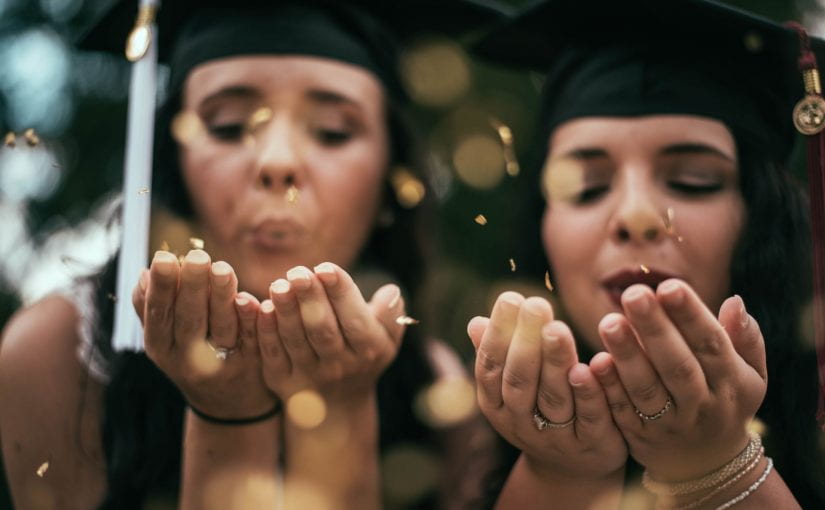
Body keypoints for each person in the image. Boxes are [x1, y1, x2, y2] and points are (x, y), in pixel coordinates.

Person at [0, 1, 506, 508]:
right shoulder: (60, 354)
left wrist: (341, 407)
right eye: (227, 125)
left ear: (391, 183)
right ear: (172, 166)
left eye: (332, 130)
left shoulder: (436, 387)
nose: (277, 162)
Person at [467, 0, 825, 508]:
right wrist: (560, 470)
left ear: (763, 221)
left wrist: (715, 465)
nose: (636, 215)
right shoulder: (461, 438)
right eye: (587, 187)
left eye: (692, 181)